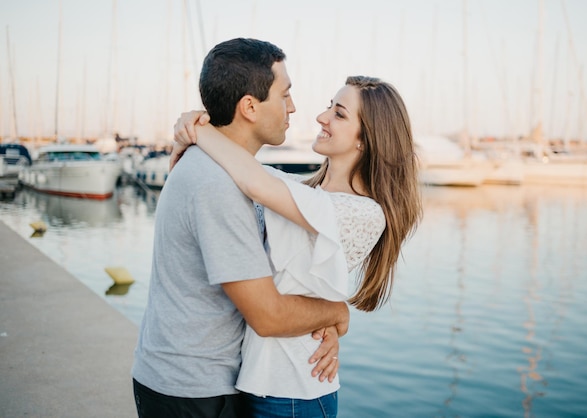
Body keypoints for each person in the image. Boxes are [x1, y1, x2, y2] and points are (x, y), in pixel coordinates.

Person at [172, 75, 423, 417]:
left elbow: (255, 182)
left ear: (366, 140)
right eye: (328, 107)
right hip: (257, 381)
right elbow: (243, 169)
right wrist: (187, 127)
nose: (322, 117)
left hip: (294, 392)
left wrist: (199, 131)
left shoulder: (363, 212)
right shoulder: (304, 192)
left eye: (339, 114)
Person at [131, 38, 350, 418]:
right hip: (194, 390)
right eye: (285, 95)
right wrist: (336, 313)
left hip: (182, 380)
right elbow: (267, 316)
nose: (294, 107)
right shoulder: (217, 185)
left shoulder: (216, 167)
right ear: (249, 106)